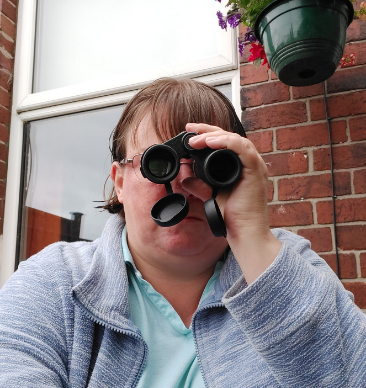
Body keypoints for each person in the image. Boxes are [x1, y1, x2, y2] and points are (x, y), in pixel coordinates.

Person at [0, 77, 365, 388]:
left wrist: (252, 233)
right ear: (120, 182)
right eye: (158, 162)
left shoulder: (286, 265)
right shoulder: (56, 283)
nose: (185, 182)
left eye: (210, 164)